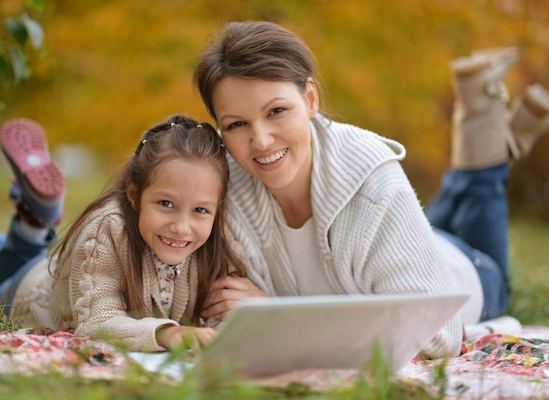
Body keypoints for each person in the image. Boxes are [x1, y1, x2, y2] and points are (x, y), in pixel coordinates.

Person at [193, 21, 549, 358]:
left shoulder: (370, 176)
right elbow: (217, 318)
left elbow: (440, 334)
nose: (260, 140)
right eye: (236, 124)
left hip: (465, 273)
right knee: (415, 212)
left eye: (277, 111)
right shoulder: (222, 186)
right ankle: (496, 140)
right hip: (394, 250)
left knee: (489, 241)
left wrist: (276, 314)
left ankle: (488, 150)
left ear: (311, 99)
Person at [0, 114, 246, 352]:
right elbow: (96, 323)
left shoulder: (219, 241)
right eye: (165, 203)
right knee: (8, 273)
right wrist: (167, 334)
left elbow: (221, 317)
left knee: (19, 253)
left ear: (217, 209)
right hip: (23, 293)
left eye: (200, 210)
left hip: (58, 269)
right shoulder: (109, 228)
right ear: (134, 195)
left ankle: (21, 220)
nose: (182, 226)